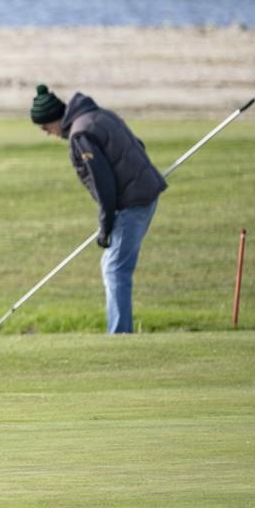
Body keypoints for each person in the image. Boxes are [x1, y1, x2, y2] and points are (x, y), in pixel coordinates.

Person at [29, 84, 167, 334]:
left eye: (45, 128)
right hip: (147, 194)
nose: (47, 133)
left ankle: (119, 335)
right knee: (112, 265)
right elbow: (139, 145)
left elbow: (103, 182)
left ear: (53, 120)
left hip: (132, 203)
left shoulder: (80, 135)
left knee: (115, 269)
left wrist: (106, 225)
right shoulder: (101, 115)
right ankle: (120, 330)